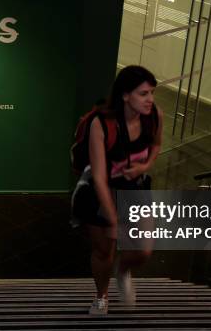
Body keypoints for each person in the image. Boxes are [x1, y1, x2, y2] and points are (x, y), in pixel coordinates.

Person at [86, 65, 164, 315]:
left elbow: (157, 145)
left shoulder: (154, 116)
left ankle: (123, 270)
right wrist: (112, 217)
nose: (150, 99)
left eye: (152, 92)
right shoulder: (102, 124)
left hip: (135, 189)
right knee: (104, 250)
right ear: (125, 95)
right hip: (102, 191)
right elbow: (98, 176)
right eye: (143, 94)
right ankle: (101, 297)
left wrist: (145, 166)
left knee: (143, 249)